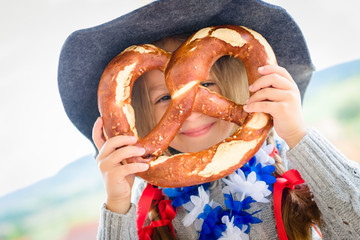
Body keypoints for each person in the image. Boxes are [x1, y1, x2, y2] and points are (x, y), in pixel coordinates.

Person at [57, 0, 360, 239]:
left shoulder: (299, 167)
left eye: (205, 85)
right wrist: (119, 203)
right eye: (164, 98)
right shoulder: (148, 211)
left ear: (235, 83)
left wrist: (297, 134)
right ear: (139, 114)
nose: (190, 110)